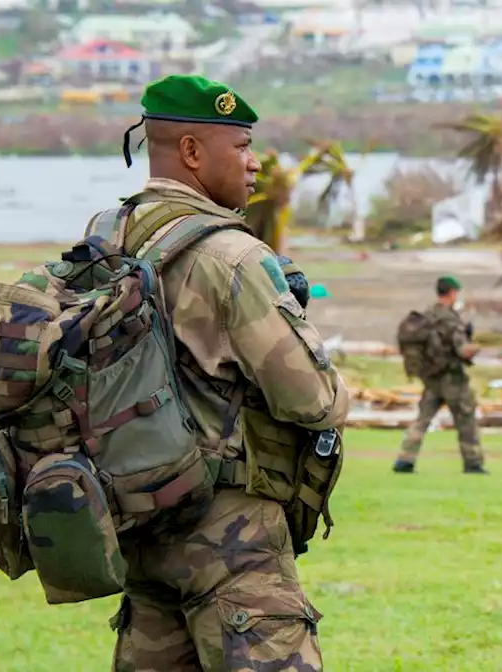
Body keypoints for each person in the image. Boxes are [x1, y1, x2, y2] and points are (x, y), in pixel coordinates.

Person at [101, 74, 349, 671]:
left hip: (141, 523)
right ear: (191, 152)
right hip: (230, 537)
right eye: (240, 146)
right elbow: (313, 400)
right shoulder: (232, 256)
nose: (255, 163)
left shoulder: (106, 237)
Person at [393, 276, 488, 475]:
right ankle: (473, 463)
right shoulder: (451, 319)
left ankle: (404, 460)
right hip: (453, 379)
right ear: (453, 293)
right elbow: (462, 350)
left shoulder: (427, 315)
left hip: (432, 379)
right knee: (466, 421)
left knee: (422, 420)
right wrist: (477, 347)